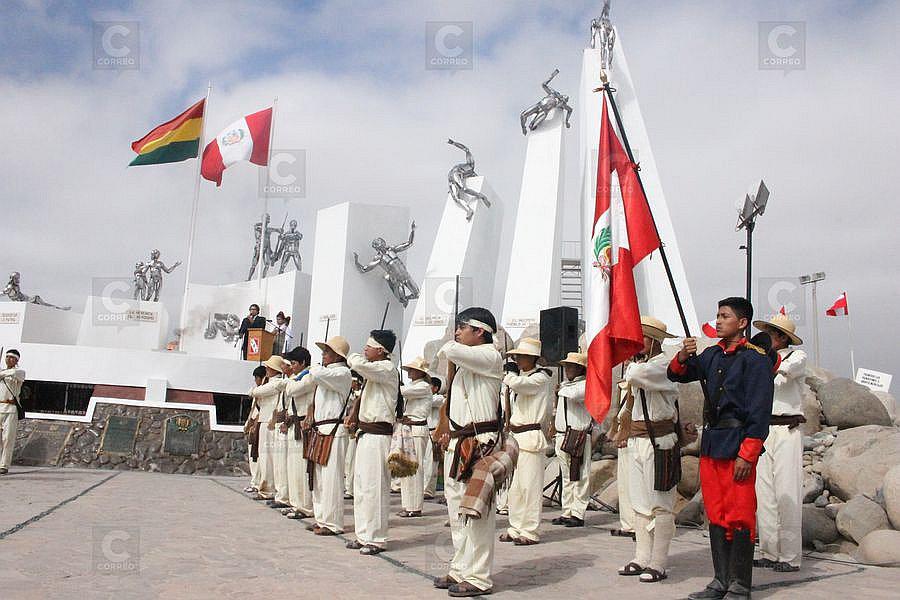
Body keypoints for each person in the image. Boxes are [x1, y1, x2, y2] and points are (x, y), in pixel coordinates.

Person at [668, 297, 775, 600]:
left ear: (742, 323)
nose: (717, 321)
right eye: (716, 315)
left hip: (738, 443)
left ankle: (739, 585)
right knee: (716, 513)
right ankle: (720, 580)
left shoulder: (755, 360)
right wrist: (684, 354)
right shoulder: (713, 355)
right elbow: (677, 374)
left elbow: (759, 411)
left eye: (724, 316)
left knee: (740, 514)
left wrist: (748, 452)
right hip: (713, 443)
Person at [432, 307, 504, 597]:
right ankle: (460, 567)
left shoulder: (489, 356)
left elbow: (448, 349)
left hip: (481, 443)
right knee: (457, 508)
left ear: (480, 332)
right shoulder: (465, 360)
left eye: (463, 327)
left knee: (478, 512)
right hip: (460, 442)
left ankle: (479, 576)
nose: (457, 331)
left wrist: (452, 346)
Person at [617, 316, 682, 584]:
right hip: (639, 439)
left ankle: (659, 562)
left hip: (660, 440)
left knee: (661, 504)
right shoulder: (642, 364)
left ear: (653, 340)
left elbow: (634, 376)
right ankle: (641, 556)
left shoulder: (664, 364)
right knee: (640, 504)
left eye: (639, 338)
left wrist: (632, 363)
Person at [752, 314, 807, 573]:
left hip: (787, 427)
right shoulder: (760, 360)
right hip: (765, 427)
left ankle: (790, 556)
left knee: (786, 491)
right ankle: (769, 551)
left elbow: (783, 373)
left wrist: (762, 357)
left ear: (783, 338)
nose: (768, 338)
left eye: (772, 334)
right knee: (764, 493)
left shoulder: (796, 357)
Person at [345, 330, 400, 555]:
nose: (364, 350)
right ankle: (363, 534)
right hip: (365, 434)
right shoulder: (374, 373)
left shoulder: (386, 369)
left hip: (379, 436)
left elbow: (359, 364)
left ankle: (376, 538)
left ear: (381, 350)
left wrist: (352, 356)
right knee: (362, 486)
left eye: (369, 346)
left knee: (375, 487)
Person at [501, 337, 553, 546]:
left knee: (530, 487)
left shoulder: (541, 378)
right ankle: (515, 527)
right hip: (515, 436)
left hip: (531, 435)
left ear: (533, 358)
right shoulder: (519, 377)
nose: (518, 360)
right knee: (515, 487)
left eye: (522, 356)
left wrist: (510, 374)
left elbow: (523, 386)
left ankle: (530, 530)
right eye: (517, 356)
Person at [307, 336, 353, 536]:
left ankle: (333, 522)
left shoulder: (343, 373)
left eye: (327, 352)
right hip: (320, 428)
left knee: (332, 478)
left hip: (334, 428)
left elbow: (315, 374)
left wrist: (317, 368)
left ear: (337, 356)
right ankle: (321, 518)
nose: (323, 355)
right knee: (318, 478)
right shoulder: (328, 373)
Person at [552, 352, 591, 528]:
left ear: (580, 369)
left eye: (571, 366)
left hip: (578, 434)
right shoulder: (566, 386)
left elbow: (575, 395)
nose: (567, 369)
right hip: (562, 434)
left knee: (581, 474)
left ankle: (578, 512)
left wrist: (561, 390)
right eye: (566, 366)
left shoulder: (585, 385)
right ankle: (567, 510)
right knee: (567, 475)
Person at [248, 356, 290, 500]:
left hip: (270, 423)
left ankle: (268, 490)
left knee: (269, 459)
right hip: (264, 422)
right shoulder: (272, 382)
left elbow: (255, 392)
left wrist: (256, 388)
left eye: (268, 367)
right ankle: (266, 488)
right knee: (264, 458)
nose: (266, 369)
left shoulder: (276, 383)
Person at [397, 357, 433, 518]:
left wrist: (395, 384)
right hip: (407, 427)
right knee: (406, 467)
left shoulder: (424, 386)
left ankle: (415, 506)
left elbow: (402, 392)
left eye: (412, 369)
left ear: (420, 372)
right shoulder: (414, 386)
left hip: (418, 428)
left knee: (415, 468)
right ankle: (408, 504)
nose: (410, 372)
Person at [283, 346, 315, 519]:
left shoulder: (308, 377)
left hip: (304, 425)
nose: (292, 366)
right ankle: (296, 504)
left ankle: (305, 506)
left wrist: (292, 378)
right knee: (293, 467)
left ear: (303, 363)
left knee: (302, 469)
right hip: (294, 423)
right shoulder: (297, 377)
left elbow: (291, 390)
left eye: (294, 363)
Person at [0, 349, 25, 475]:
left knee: (7, 438)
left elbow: (14, 372)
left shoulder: (19, 372)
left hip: (10, 409)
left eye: (11, 357)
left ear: (16, 360)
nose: (9, 359)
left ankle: (4, 465)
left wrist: (2, 374)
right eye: (7, 357)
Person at [243, 365, 267, 493]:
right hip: (253, 424)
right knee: (253, 455)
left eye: (257, 378)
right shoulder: (258, 390)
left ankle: (256, 483)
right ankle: (254, 481)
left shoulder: (263, 391)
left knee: (256, 456)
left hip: (257, 425)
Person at [423, 375, 444, 500]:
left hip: (434, 432)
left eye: (429, 385)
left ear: (435, 388)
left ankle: (429, 489)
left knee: (432, 463)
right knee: (425, 462)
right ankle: (424, 487)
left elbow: (429, 401)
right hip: (425, 431)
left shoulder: (439, 398)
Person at [344, 371, 363, 500]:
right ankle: (348, 486)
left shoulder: (359, 395)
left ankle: (351, 489)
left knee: (353, 461)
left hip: (357, 429)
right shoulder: (349, 394)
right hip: (348, 429)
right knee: (348, 460)